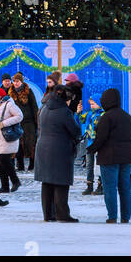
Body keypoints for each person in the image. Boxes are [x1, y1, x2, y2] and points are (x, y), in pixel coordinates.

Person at [34, 82, 80, 223]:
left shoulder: (44, 108)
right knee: (61, 182)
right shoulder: (63, 111)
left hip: (42, 148)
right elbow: (75, 131)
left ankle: (48, 215)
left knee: (47, 182)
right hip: (60, 149)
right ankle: (62, 215)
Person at [90, 87, 131, 224]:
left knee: (110, 188)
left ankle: (112, 216)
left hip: (109, 158)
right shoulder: (127, 116)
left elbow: (100, 138)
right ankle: (125, 217)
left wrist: (91, 149)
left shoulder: (106, 117)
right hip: (126, 158)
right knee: (125, 188)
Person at [0, 85, 23, 193]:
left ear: (1, 96)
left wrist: (4, 123)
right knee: (0, 163)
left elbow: (19, 116)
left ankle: (16, 181)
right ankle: (5, 186)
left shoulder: (9, 105)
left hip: (6, 138)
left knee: (5, 161)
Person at [11, 72, 39, 173]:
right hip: (16, 122)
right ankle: (21, 165)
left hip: (28, 122)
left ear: (21, 82)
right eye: (14, 81)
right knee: (18, 144)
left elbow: (34, 106)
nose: (15, 83)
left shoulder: (28, 91)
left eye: (17, 81)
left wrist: (37, 121)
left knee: (30, 143)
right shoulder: (11, 93)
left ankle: (32, 164)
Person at [78, 96, 103, 195]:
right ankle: (89, 185)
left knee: (99, 165)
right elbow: (81, 120)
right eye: (90, 104)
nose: (91, 106)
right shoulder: (89, 114)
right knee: (89, 165)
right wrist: (79, 112)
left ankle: (100, 185)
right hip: (89, 143)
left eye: (93, 104)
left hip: (99, 144)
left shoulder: (103, 114)